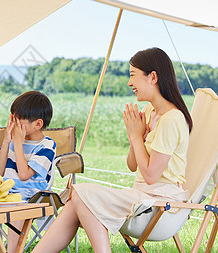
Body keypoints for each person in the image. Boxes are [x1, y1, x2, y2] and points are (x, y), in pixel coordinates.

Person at [32, 47, 193, 253]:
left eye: (133, 75)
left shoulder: (172, 119)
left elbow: (152, 175)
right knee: (75, 200)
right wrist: (133, 138)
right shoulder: (149, 111)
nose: (129, 83)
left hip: (161, 205)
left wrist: (136, 137)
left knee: (81, 194)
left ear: (152, 77)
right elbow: (132, 165)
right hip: (140, 196)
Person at [0, 90, 56, 253]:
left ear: (38, 124)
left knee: (17, 209)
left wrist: (18, 144)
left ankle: (12, 251)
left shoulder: (47, 146)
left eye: (18, 122)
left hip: (32, 196)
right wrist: (7, 141)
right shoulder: (13, 142)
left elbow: (24, 175)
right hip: (6, 194)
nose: (13, 125)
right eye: (12, 119)